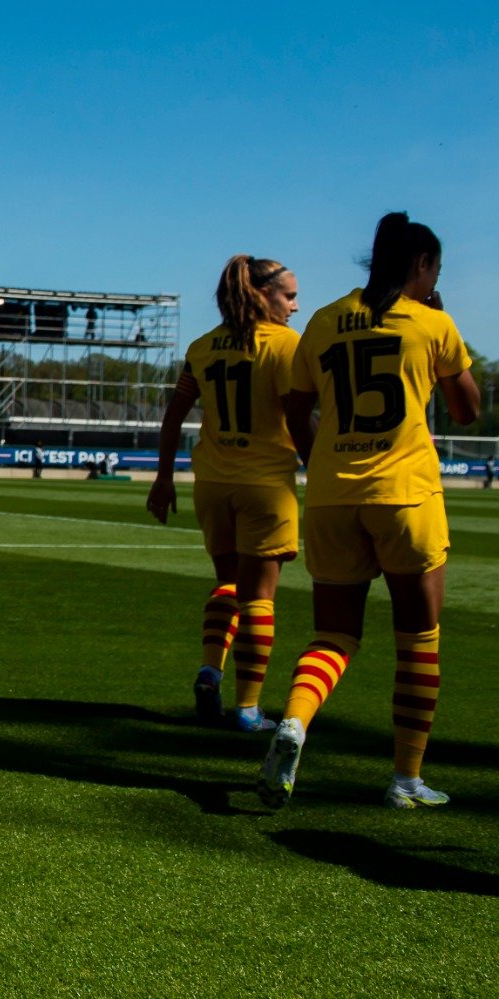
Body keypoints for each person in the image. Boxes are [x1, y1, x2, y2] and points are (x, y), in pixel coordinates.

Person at [259, 212, 479, 810]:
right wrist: (440, 317)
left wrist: (321, 460)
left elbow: (295, 409)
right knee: (418, 638)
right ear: (422, 266)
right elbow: (467, 410)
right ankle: (406, 779)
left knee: (334, 634)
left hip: (332, 496)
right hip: (405, 496)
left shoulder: (325, 321)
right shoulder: (432, 323)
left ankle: (295, 723)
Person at [146, 254, 301, 732]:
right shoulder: (284, 345)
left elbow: (174, 415)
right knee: (260, 599)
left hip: (212, 483)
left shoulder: (203, 347)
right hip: (265, 485)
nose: (295, 307)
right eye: (290, 296)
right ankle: (249, 709)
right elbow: (298, 417)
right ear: (263, 294)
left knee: (228, 584)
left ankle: (211, 670)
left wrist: (164, 477)